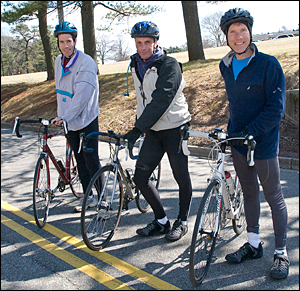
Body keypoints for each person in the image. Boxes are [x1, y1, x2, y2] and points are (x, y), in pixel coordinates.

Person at [219, 8, 289, 279]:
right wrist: (230, 131)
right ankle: (254, 244)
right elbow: (236, 104)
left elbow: (276, 108)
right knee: (249, 193)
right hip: (239, 142)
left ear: (250, 32)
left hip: (263, 143)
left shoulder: (268, 64)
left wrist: (252, 131)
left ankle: (281, 253)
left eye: (243, 30)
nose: (238, 36)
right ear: (226, 36)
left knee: (273, 197)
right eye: (232, 32)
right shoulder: (225, 65)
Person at [124, 21, 192, 241]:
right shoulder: (135, 64)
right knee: (141, 177)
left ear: (155, 42)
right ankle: (162, 220)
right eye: (138, 43)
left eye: (147, 42)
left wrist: (137, 129)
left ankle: (182, 221)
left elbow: (162, 99)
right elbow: (142, 100)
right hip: (152, 130)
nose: (143, 47)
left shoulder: (170, 65)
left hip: (175, 128)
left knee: (181, 176)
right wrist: (139, 125)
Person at [51, 21, 102, 212]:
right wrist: (61, 116)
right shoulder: (58, 61)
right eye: (62, 42)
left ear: (75, 41)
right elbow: (61, 91)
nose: (65, 46)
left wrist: (65, 117)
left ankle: (103, 197)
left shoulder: (86, 62)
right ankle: (88, 197)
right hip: (68, 119)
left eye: (69, 41)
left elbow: (82, 96)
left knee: (91, 158)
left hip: (87, 117)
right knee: (79, 159)